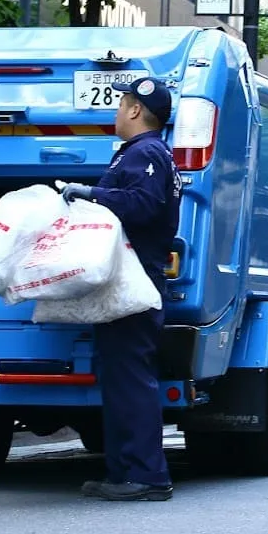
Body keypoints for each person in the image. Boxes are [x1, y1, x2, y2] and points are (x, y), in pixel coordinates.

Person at [58, 77, 181, 502]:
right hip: (128, 280)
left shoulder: (146, 153)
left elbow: (144, 206)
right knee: (121, 376)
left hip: (135, 281)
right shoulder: (143, 153)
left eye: (120, 105)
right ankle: (125, 471)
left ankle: (147, 476)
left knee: (130, 377)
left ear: (133, 110)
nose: (115, 113)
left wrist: (91, 195)